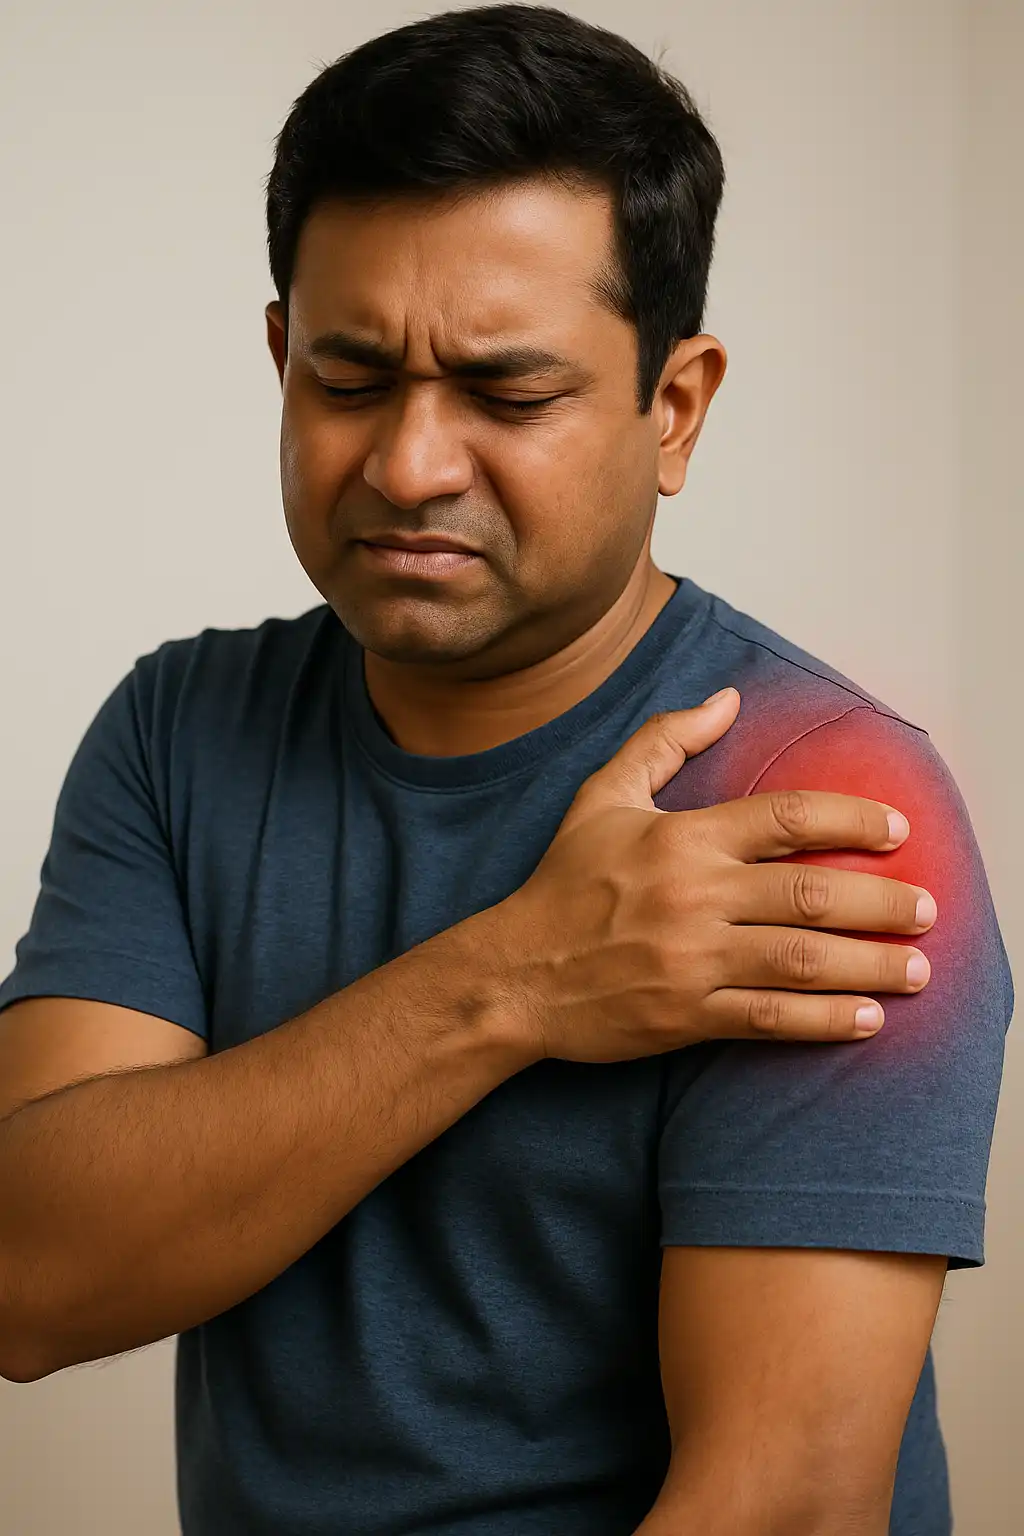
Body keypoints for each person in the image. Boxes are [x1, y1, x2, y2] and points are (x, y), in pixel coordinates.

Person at [0, 5, 1012, 1533]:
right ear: (279, 356)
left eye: (506, 394)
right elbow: (27, 1278)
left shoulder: (831, 802)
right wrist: (521, 981)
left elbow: (786, 1503)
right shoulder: (177, 727)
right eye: (348, 379)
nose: (408, 464)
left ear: (673, 409)